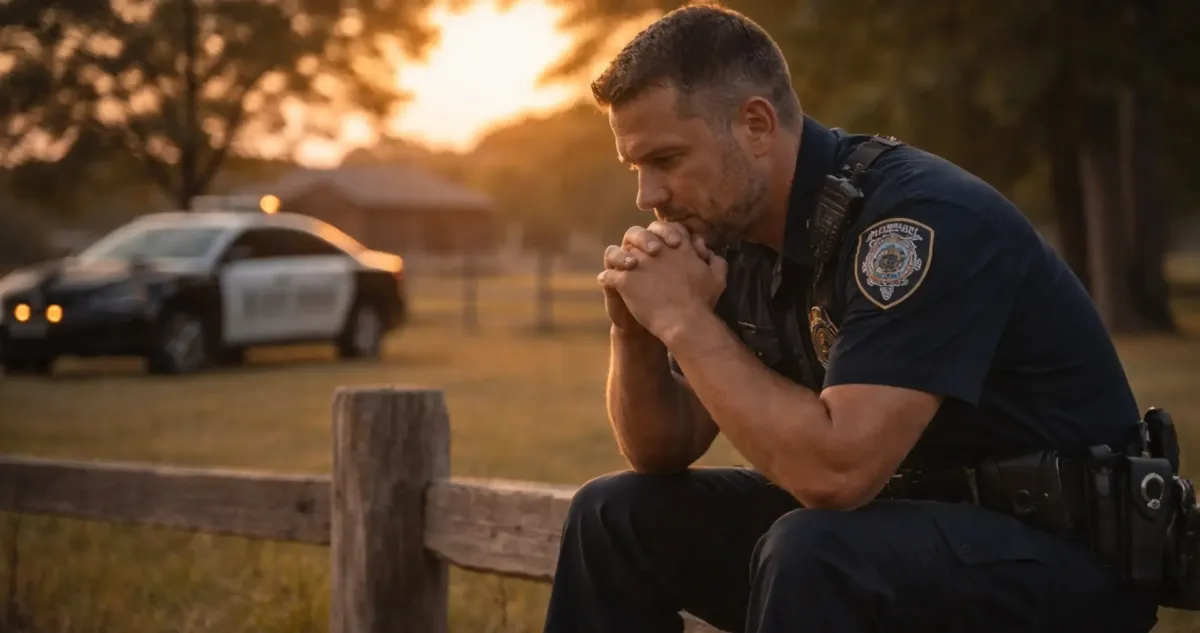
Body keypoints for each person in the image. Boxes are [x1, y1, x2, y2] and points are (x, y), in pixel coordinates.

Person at [540, 3, 1169, 633]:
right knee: (614, 515)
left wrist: (683, 319)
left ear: (757, 125)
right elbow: (661, 448)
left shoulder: (916, 220)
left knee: (816, 550)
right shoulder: (728, 233)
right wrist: (636, 330)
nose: (648, 196)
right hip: (893, 530)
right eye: (636, 168)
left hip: (1056, 554)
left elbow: (836, 474)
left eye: (668, 160)